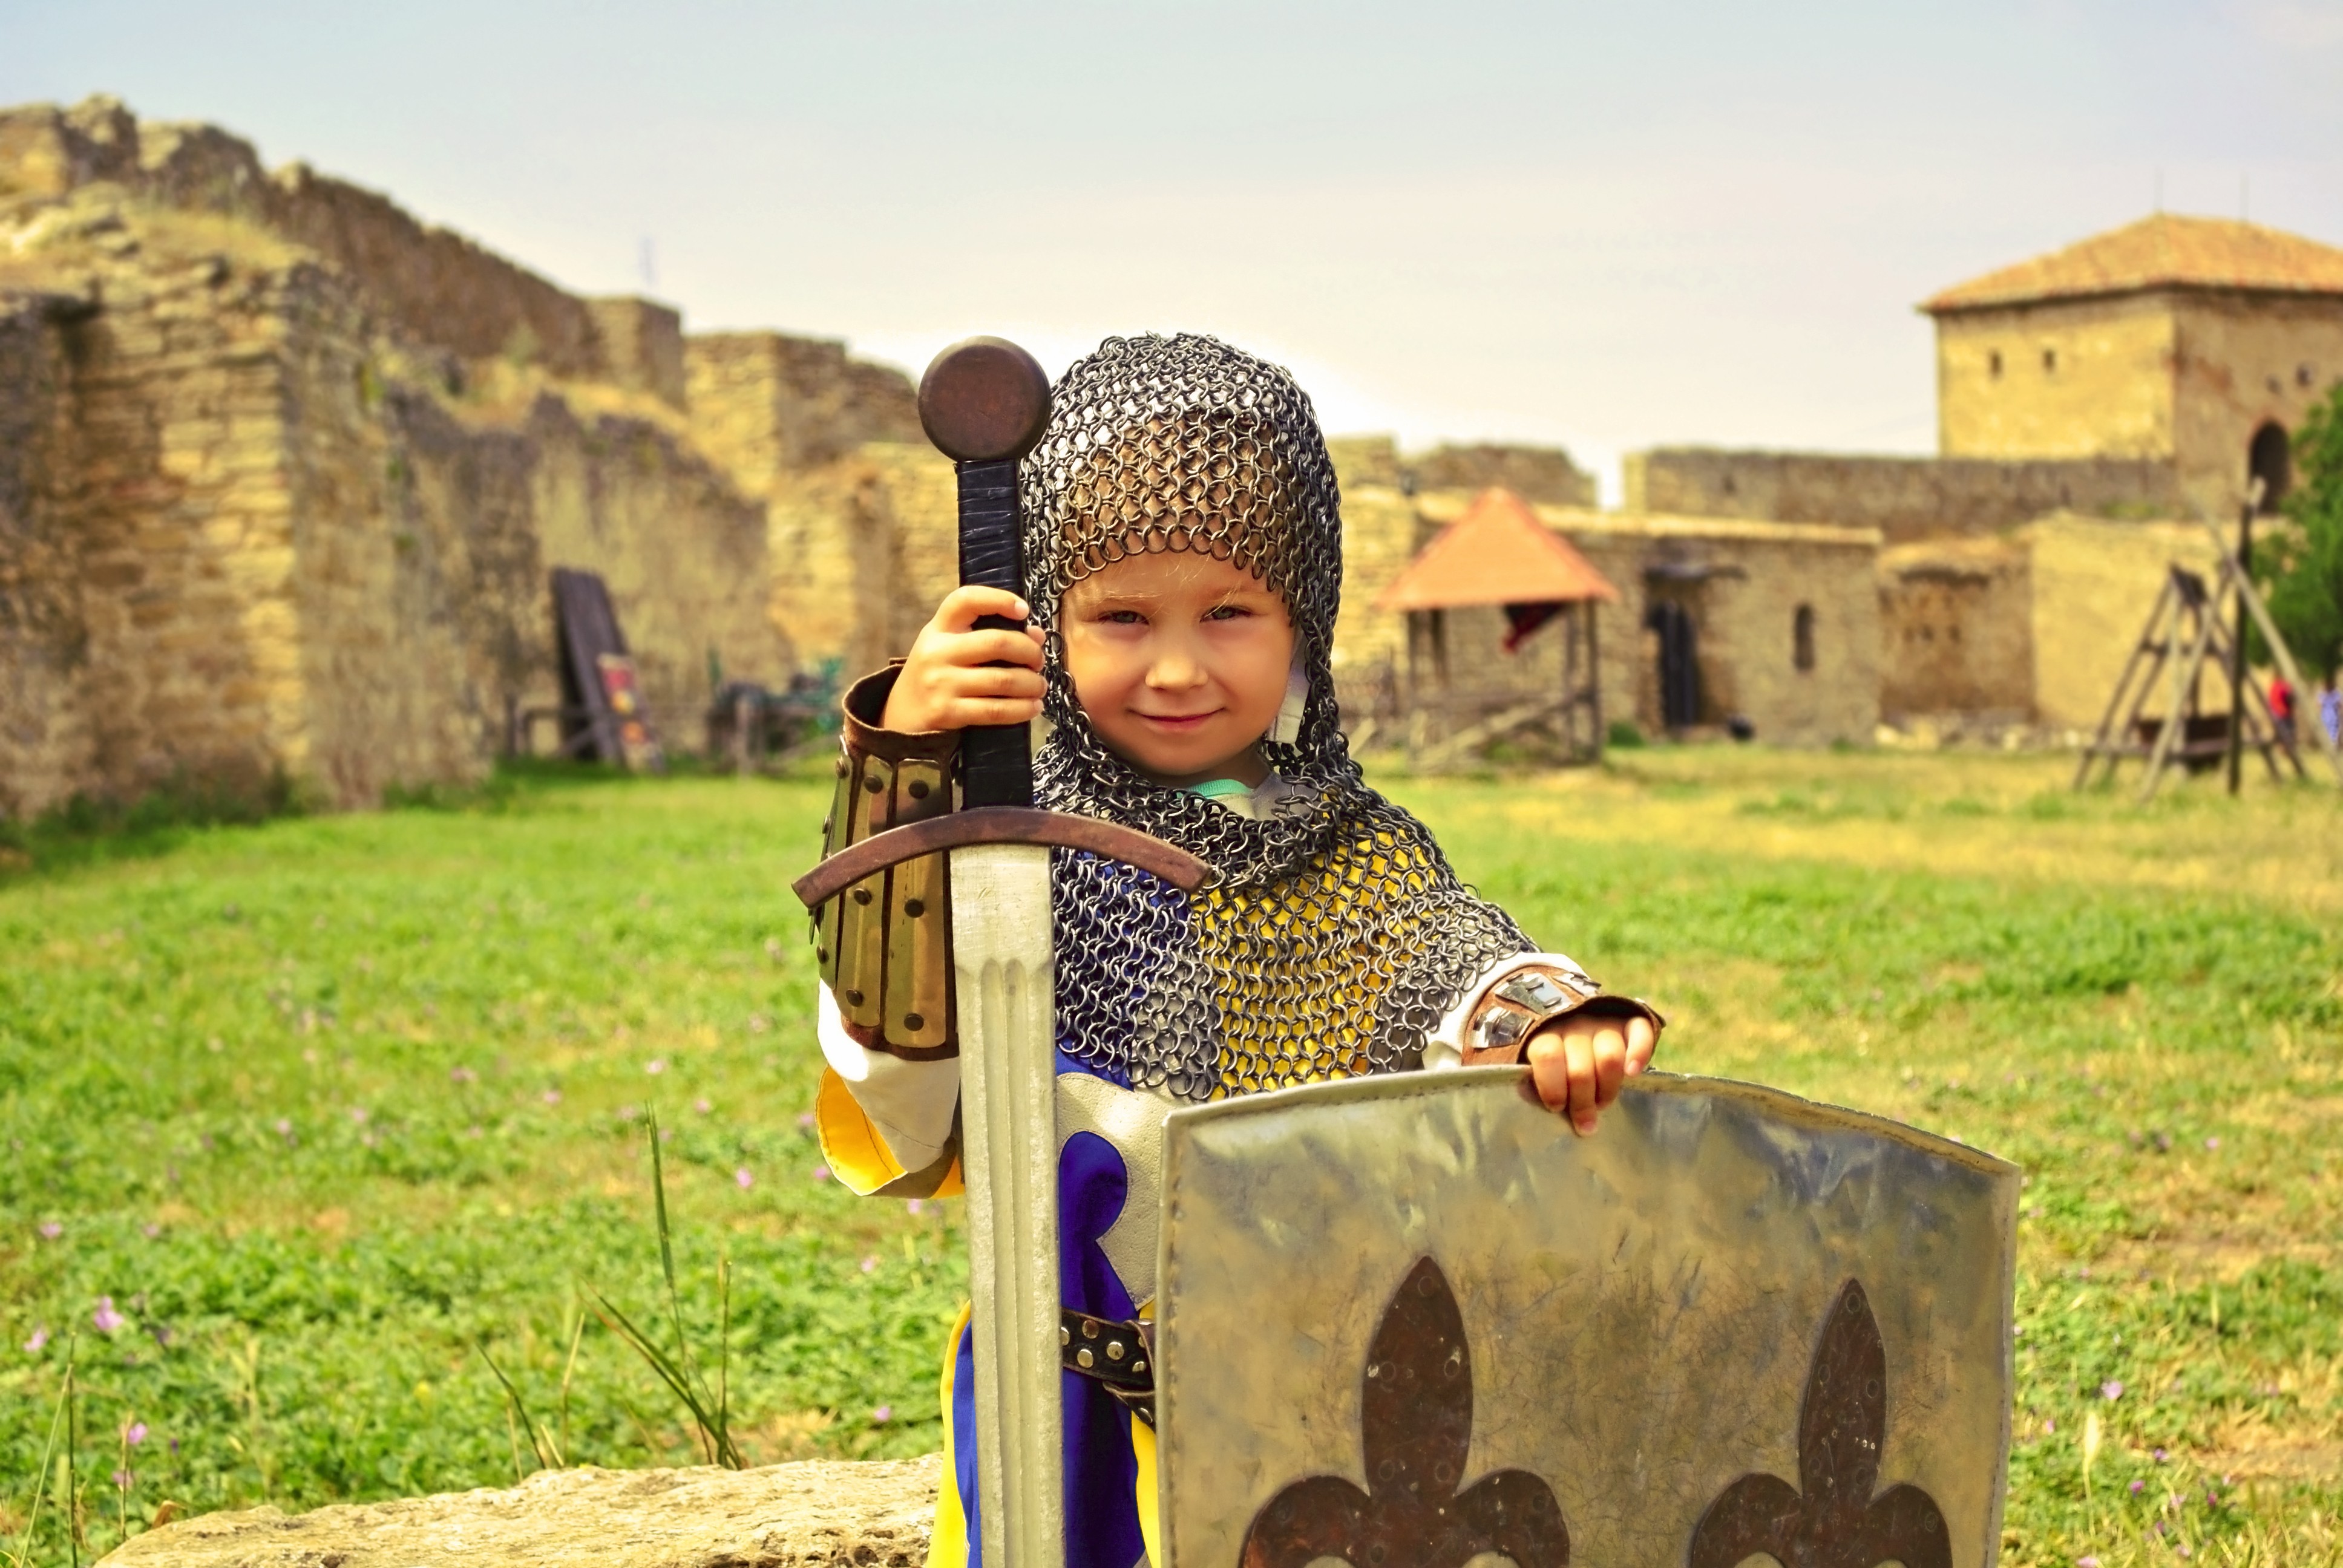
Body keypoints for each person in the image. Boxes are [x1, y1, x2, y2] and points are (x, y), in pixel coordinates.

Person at [807, 335, 1663, 1568]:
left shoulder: (1352, 855)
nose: (1174, 666)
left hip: (1322, 1414)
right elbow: (903, 1118)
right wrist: (901, 782)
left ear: (1301, 619)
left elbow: (1455, 972)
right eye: (1119, 618)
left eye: (1227, 611)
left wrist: (1552, 1026)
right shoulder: (991, 861)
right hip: (1065, 1422)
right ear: (1045, 625)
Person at [2269, 671, 2296, 748]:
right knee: (2287, 731)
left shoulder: (2274, 687)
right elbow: (2290, 697)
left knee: (2282, 731)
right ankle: (2287, 747)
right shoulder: (2284, 686)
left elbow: (2271, 701)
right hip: (2284, 713)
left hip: (2277, 713)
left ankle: (2284, 747)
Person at [2322, 672, 2341, 746]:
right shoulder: (2323, 694)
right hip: (2325, 715)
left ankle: (2334, 744)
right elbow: (2319, 705)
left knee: (2334, 731)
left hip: (2334, 715)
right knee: (2327, 730)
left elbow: (2340, 704)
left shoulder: (2336, 693)